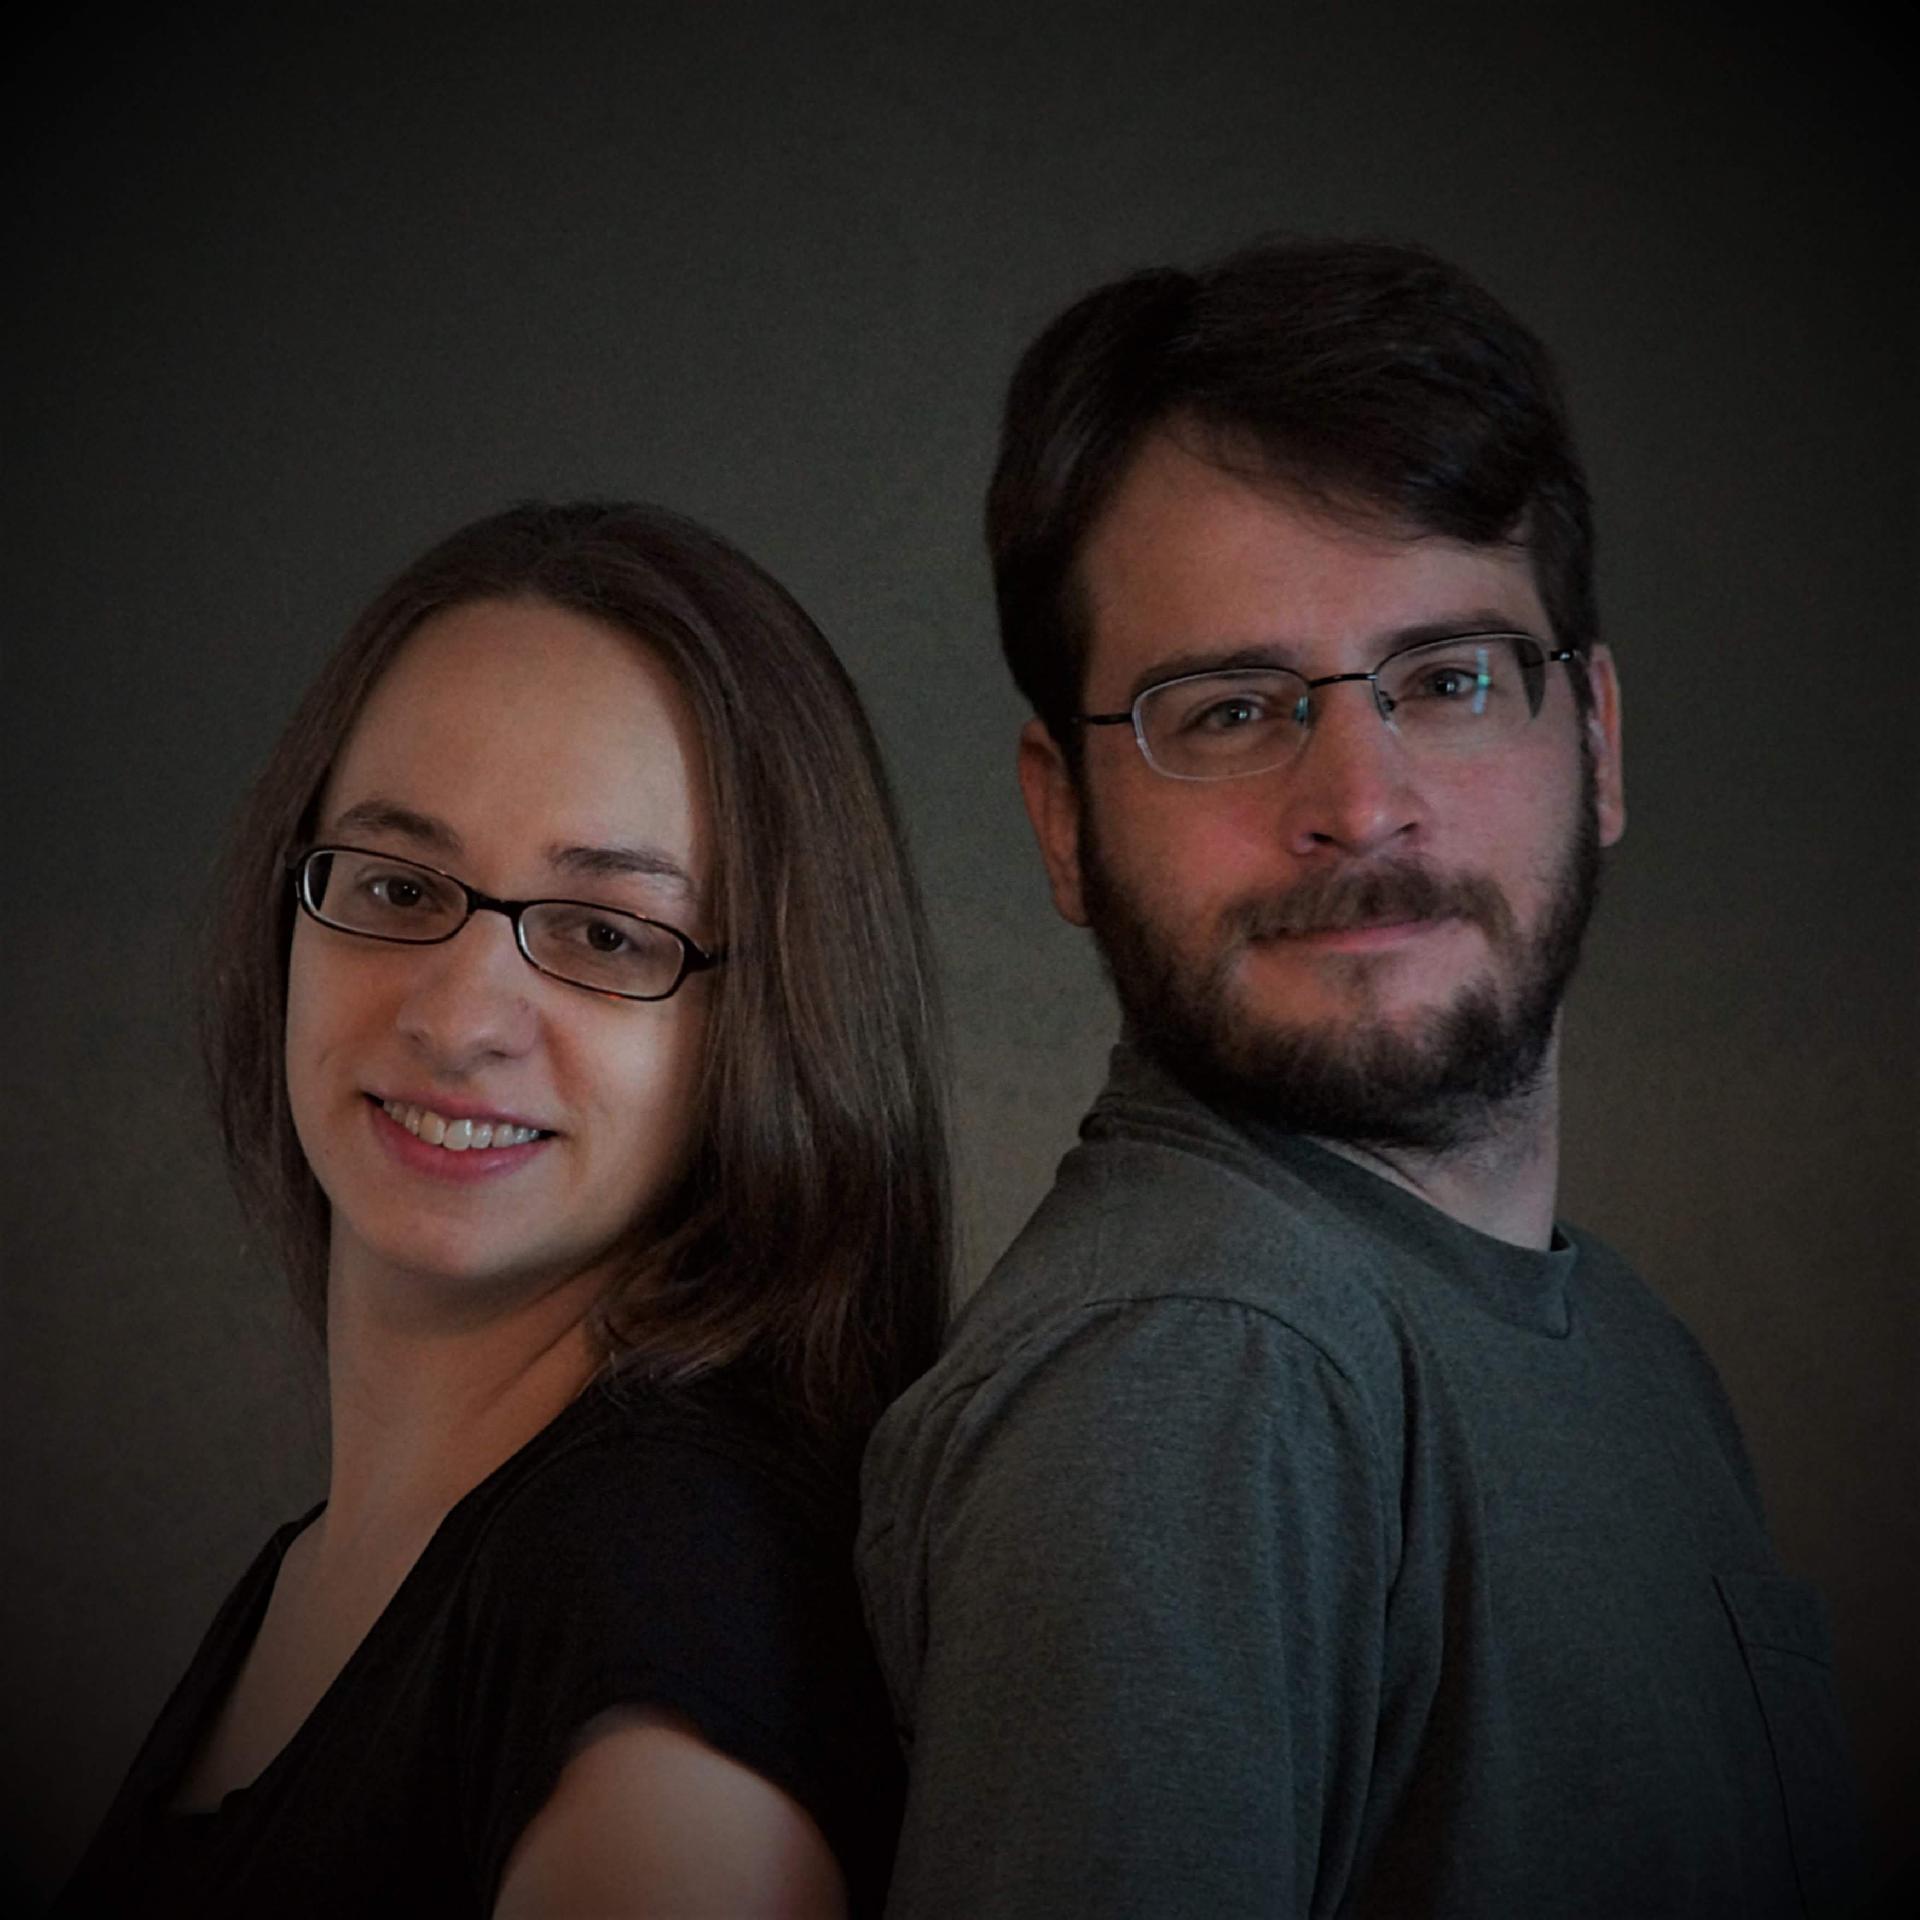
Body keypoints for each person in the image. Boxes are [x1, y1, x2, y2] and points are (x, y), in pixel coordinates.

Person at [858, 240, 1866, 1916]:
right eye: (1229, 709)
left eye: (1449, 680)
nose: (1360, 802)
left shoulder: (1624, 1348)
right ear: (1062, 819)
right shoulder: (1198, 1375)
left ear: (1596, 740)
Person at [59, 500, 949, 1917]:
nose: (460, 1017)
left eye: (604, 932)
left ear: (772, 1023)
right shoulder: (338, 1562)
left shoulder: (660, 1597)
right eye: (397, 884)